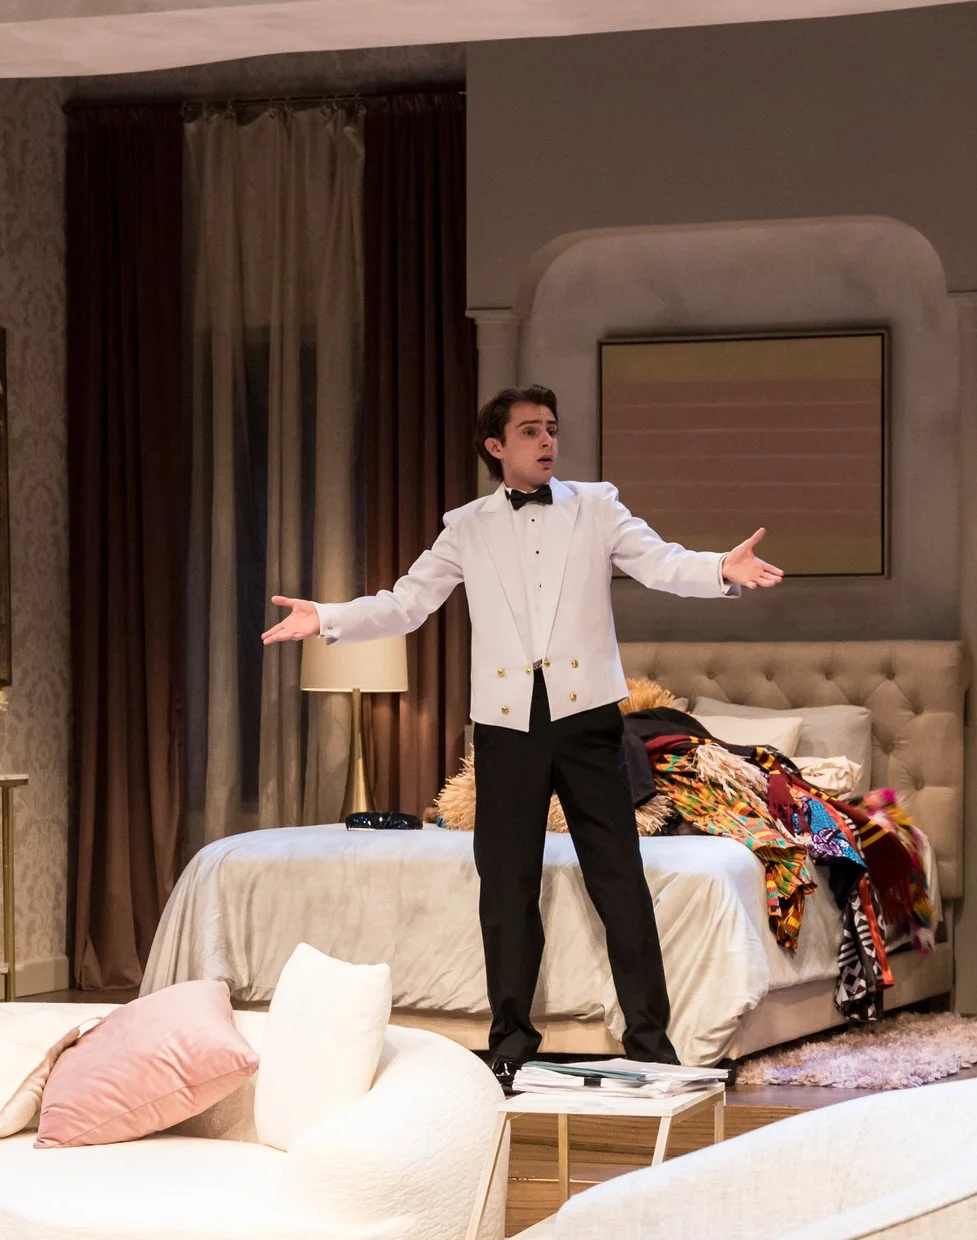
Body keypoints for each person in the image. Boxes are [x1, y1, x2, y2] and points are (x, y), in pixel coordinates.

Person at [263, 385, 784, 1086]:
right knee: (505, 890)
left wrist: (720, 567)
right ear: (496, 447)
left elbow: (661, 563)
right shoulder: (467, 526)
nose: (547, 442)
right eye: (530, 431)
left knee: (619, 880)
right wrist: (327, 617)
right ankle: (511, 1041)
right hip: (507, 727)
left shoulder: (596, 507)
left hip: (589, 720)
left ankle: (650, 1043)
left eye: (552, 430)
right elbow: (406, 604)